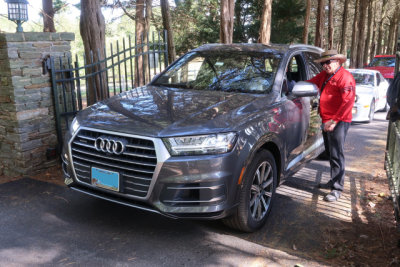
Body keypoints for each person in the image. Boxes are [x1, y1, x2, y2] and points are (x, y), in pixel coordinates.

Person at [308, 50, 356, 202]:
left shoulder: (345, 78)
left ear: (338, 62)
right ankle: (333, 180)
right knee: (330, 153)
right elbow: (310, 83)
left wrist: (334, 121)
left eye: (328, 62)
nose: (325, 66)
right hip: (326, 120)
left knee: (336, 154)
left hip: (339, 121)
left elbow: (348, 102)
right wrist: (292, 85)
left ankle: (337, 188)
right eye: (323, 63)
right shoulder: (325, 76)